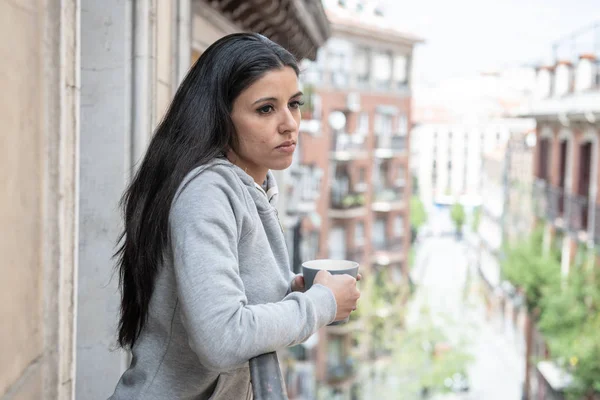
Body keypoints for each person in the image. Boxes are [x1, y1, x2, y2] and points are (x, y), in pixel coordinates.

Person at [109, 32, 361, 399]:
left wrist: (293, 289)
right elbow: (222, 337)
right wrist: (322, 304)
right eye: (265, 109)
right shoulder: (206, 192)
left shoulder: (251, 187)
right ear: (220, 117)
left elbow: (231, 290)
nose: (289, 123)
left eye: (294, 103)